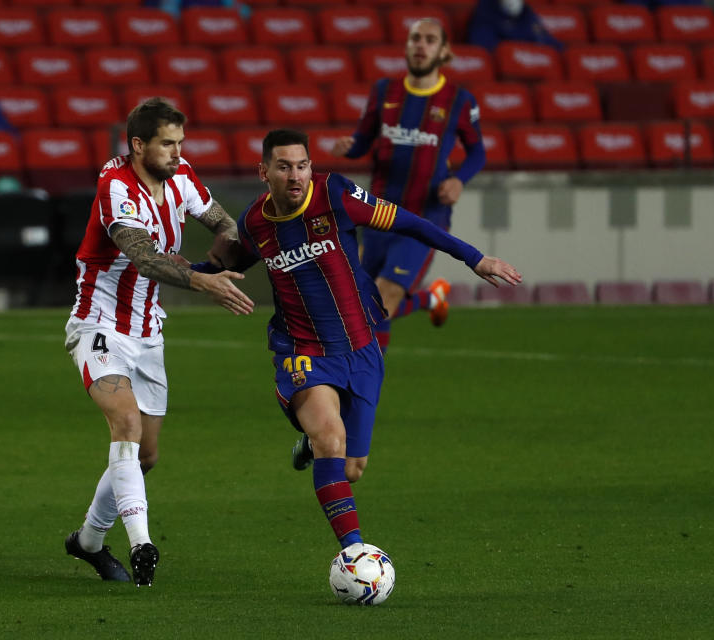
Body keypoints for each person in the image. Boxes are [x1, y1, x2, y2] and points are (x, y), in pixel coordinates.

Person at [196, 128, 520, 551]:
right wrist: (180, 270)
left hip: (361, 344)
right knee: (331, 436)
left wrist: (474, 257)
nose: (295, 176)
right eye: (284, 167)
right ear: (264, 172)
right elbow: (233, 261)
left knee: (351, 467)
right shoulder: (255, 223)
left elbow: (410, 223)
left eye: (302, 165)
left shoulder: (335, 195)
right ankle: (354, 555)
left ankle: (311, 446)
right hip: (302, 349)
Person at [63, 98, 254, 587]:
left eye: (180, 142)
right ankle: (142, 543)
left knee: (144, 456)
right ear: (138, 146)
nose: (177, 151)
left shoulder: (181, 175)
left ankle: (86, 542)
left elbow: (223, 222)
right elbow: (144, 258)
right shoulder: (116, 189)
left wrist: (231, 243)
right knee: (124, 422)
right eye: (168, 143)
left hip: (148, 330)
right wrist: (204, 281)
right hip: (99, 322)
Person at [331, 18, 485, 352]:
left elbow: (477, 152)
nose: (420, 45)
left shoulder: (458, 100)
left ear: (444, 51)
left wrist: (459, 180)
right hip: (378, 214)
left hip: (425, 217)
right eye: (415, 38)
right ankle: (431, 299)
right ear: (406, 46)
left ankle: (364, 391)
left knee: (383, 299)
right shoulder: (384, 91)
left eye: (430, 40)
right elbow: (363, 140)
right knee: (360, 306)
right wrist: (350, 147)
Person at [467, 0, 564, 53]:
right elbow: (484, 46)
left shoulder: (526, 13)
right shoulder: (485, 13)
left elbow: (548, 41)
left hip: (531, 71)